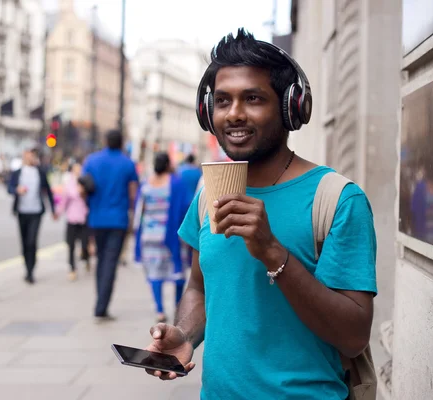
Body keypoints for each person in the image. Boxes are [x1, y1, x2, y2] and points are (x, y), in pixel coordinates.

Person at [144, 29, 377, 400]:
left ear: (290, 108)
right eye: (222, 101)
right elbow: (199, 287)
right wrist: (184, 335)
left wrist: (273, 252)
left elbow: (353, 337)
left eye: (252, 99)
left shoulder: (337, 199)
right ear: (208, 112)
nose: (234, 114)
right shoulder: (208, 193)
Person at [82, 129, 139, 321]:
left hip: (96, 218)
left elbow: (83, 188)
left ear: (106, 140)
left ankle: (99, 302)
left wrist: (89, 205)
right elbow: (133, 193)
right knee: (110, 262)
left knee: (100, 260)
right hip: (118, 219)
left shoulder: (91, 160)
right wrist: (132, 216)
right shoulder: (127, 163)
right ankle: (102, 306)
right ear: (122, 142)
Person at [134, 152, 190, 323]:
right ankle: (177, 307)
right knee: (177, 273)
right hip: (172, 236)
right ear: (168, 165)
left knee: (155, 273)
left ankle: (159, 310)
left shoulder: (146, 184)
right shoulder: (176, 183)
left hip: (150, 236)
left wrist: (137, 234)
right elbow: (187, 207)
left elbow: (139, 213)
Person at [7, 148, 57, 284]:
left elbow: (48, 191)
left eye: (32, 156)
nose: (29, 158)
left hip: (36, 211)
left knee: (32, 241)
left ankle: (31, 270)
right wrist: (17, 190)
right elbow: (9, 188)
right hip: (22, 211)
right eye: (27, 156)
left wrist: (53, 209)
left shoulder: (40, 172)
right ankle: (27, 266)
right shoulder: (18, 173)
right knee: (24, 242)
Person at [57, 160, 90, 281]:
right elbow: (64, 200)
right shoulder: (69, 184)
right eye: (75, 169)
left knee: (85, 243)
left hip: (84, 217)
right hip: (72, 218)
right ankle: (72, 268)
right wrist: (58, 212)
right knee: (71, 245)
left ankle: (86, 258)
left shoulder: (87, 182)